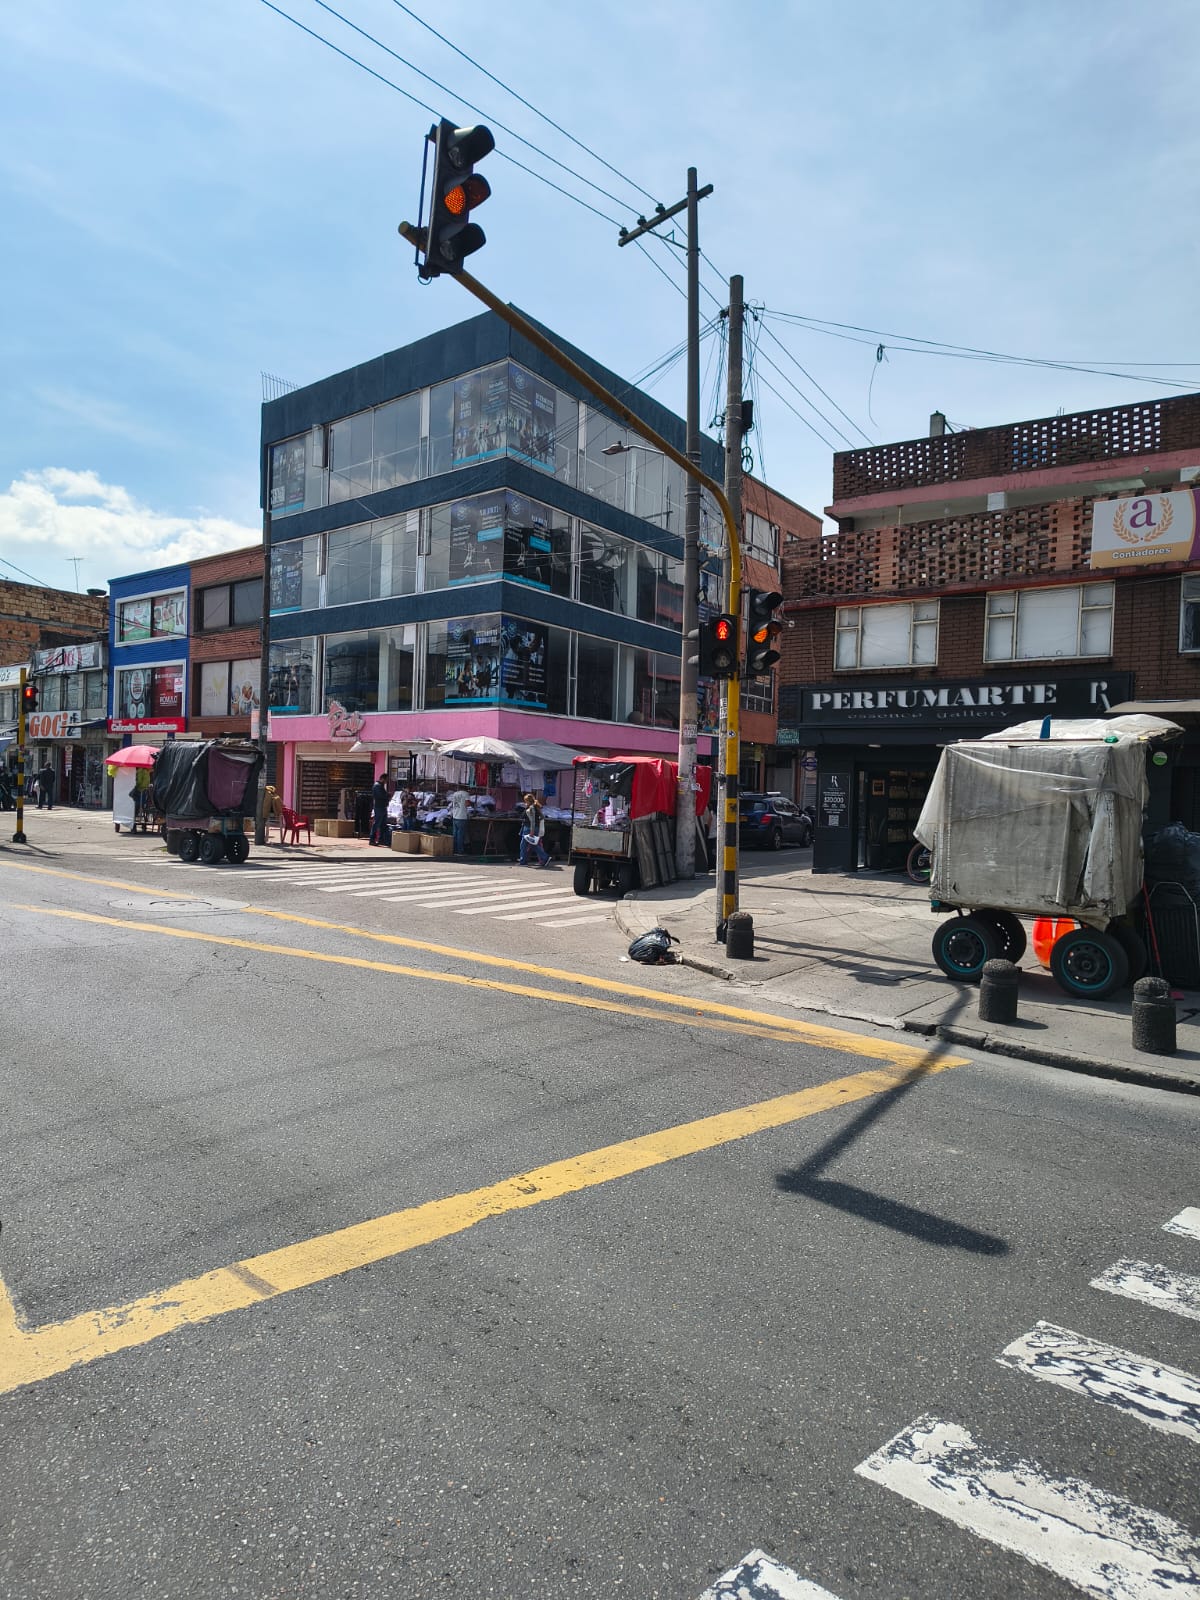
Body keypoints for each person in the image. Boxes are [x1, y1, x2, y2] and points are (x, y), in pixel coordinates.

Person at [519, 793, 551, 868]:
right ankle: (524, 860)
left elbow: (532, 820)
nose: (525, 802)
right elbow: (542, 817)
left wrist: (532, 831)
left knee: (524, 845)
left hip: (529, 828)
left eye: (525, 801)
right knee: (533, 845)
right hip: (534, 828)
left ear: (528, 801)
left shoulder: (531, 808)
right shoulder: (536, 807)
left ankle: (523, 861)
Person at [448, 786, 472, 854]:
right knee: (460, 835)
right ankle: (460, 851)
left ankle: (454, 850)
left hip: (455, 816)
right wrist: (471, 803)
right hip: (462, 817)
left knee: (455, 835)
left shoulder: (455, 794)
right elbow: (467, 804)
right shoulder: (465, 794)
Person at [369, 774, 390, 847]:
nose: (386, 781)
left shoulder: (380, 786)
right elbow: (381, 796)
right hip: (379, 807)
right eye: (386, 779)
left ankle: (381, 839)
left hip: (382, 807)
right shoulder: (377, 786)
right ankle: (372, 839)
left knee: (382, 824)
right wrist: (387, 795)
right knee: (377, 823)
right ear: (382, 779)